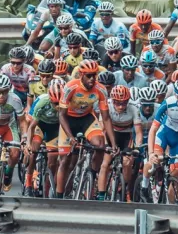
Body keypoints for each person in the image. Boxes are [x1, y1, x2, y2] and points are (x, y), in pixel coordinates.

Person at [56, 60, 115, 199]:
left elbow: (106, 119)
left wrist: (113, 144)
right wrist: (71, 138)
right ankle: (58, 197)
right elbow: (61, 115)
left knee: (100, 145)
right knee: (65, 160)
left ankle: (92, 175)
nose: (92, 79)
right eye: (88, 76)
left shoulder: (100, 89)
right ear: (81, 75)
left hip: (86, 118)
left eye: (94, 75)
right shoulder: (70, 87)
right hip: (68, 120)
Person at [25, 77, 64, 197]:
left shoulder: (68, 102)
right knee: (33, 151)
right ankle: (28, 183)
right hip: (40, 125)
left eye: (59, 103)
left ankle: (47, 189)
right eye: (54, 103)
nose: (57, 106)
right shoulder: (42, 101)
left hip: (55, 128)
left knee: (52, 160)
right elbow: (31, 126)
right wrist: (28, 143)